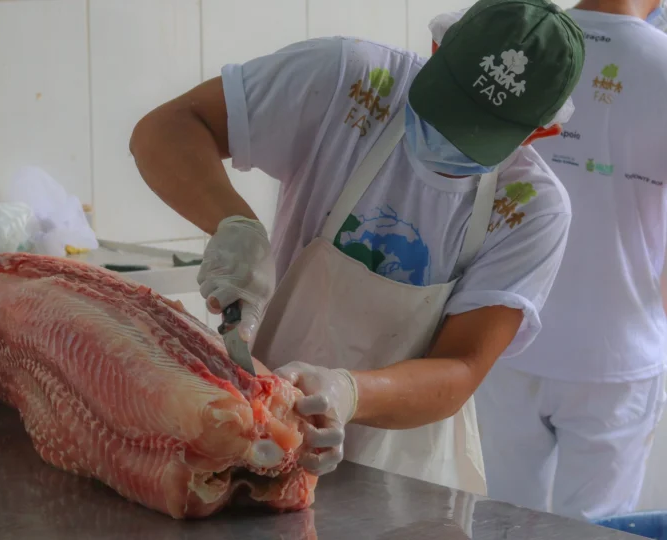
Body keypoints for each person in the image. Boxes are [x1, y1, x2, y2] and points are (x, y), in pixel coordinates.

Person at [130, 0, 584, 495]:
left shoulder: (531, 209)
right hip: (260, 429)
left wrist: (347, 392)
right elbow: (167, 129)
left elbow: (461, 367)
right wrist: (234, 224)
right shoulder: (350, 81)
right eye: (447, 108)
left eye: (476, 135)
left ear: (542, 132)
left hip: (405, 476)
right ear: (436, 49)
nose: (448, 139)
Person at [473, 0, 667, 521]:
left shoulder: (524, 42)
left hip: (502, 332)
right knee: (599, 529)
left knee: (505, 522)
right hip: (616, 355)